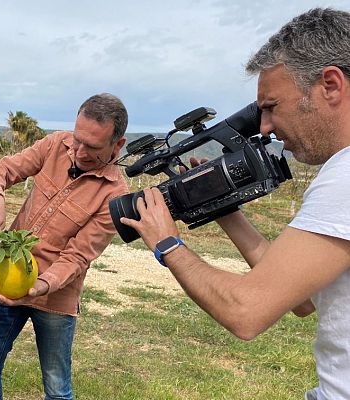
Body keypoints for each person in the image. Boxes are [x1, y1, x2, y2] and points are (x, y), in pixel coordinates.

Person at [120, 8, 350, 400]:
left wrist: (167, 243)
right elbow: (303, 300)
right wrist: (226, 210)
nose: (264, 127)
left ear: (330, 84)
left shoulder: (344, 177)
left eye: (271, 106)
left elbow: (246, 313)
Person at [0, 93, 129, 400]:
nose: (78, 151)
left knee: (57, 390)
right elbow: (2, 169)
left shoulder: (115, 195)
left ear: (117, 145)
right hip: (5, 284)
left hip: (56, 298)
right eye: (77, 139)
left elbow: (79, 255)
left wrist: (40, 286)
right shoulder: (56, 145)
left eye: (92, 147)